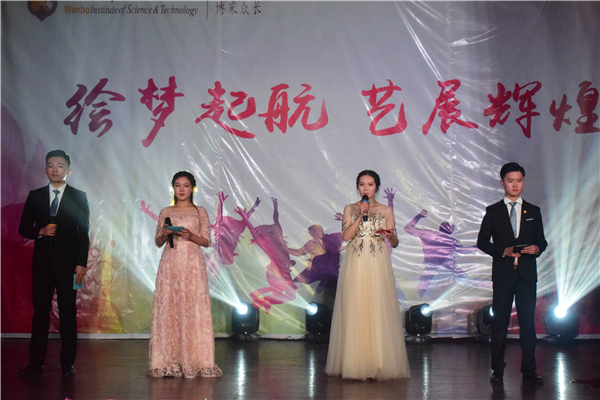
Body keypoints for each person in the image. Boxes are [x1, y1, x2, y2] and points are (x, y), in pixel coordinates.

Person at [325, 170, 410, 381]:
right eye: (362, 184)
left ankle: (379, 361)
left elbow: (395, 243)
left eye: (370, 184)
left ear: (376, 187)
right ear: (357, 187)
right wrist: (359, 215)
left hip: (377, 260)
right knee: (356, 305)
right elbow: (347, 236)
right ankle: (355, 361)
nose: (366, 188)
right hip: (356, 260)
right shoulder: (350, 208)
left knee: (377, 305)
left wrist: (391, 236)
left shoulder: (386, 210)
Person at [18, 150, 90, 377]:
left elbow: (83, 233)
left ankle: (67, 364)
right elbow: (23, 228)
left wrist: (81, 264)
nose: (55, 169)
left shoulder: (78, 197)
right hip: (42, 265)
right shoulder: (36, 196)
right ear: (45, 170)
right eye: (51, 165)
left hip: (69, 266)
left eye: (60, 166)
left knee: (67, 313)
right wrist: (40, 230)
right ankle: (35, 363)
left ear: (68, 170)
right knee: (40, 313)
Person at [477, 162, 547, 385]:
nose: (515, 185)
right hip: (503, 274)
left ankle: (529, 370)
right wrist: (503, 251)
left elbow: (542, 241)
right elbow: (481, 242)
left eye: (519, 180)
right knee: (500, 323)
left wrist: (537, 248)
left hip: (526, 276)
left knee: (527, 324)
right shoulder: (493, 211)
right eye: (510, 181)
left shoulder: (533, 211)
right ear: (502, 182)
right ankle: (497, 369)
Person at [149, 171, 222, 379]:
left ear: (192, 188)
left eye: (186, 185)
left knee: (192, 307)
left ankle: (195, 358)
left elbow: (206, 241)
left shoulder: (200, 212)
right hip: (170, 262)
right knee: (170, 307)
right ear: (173, 188)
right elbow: (158, 241)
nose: (182, 189)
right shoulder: (166, 211)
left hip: (192, 264)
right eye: (178, 185)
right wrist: (165, 235)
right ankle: (169, 360)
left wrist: (190, 236)